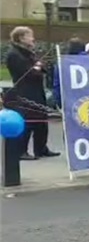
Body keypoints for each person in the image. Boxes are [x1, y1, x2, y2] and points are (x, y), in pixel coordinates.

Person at [4, 26, 59, 159]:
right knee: (29, 120)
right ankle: (22, 150)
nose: (33, 39)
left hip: (37, 89)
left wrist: (38, 67)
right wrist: (37, 67)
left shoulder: (29, 53)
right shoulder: (14, 54)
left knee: (42, 119)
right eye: (30, 36)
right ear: (21, 38)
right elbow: (29, 72)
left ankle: (41, 148)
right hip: (25, 90)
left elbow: (41, 68)